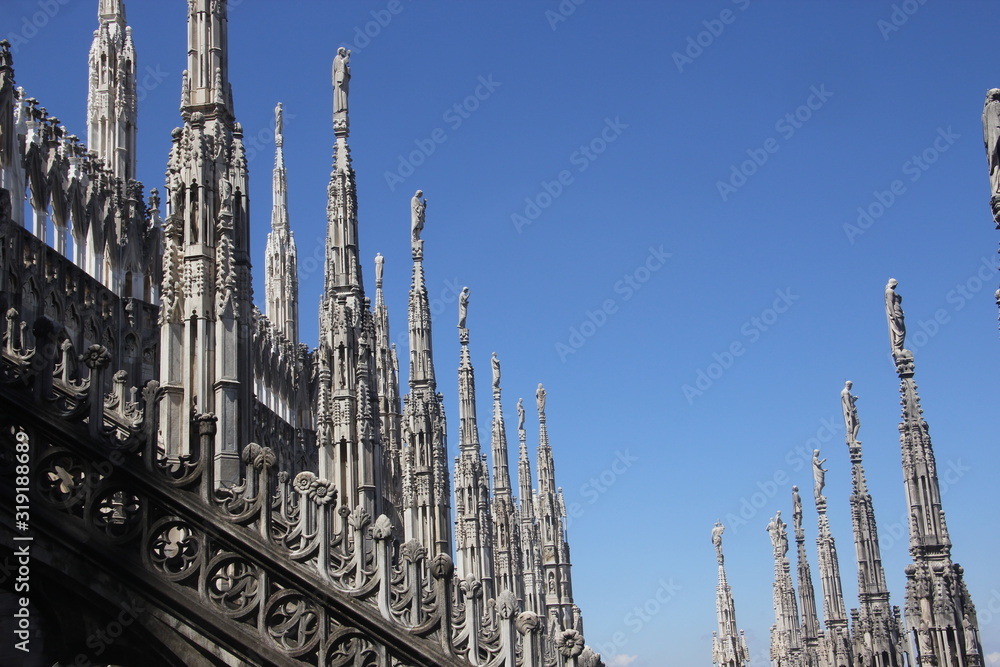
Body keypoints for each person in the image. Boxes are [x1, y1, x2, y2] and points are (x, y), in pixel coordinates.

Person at [885, 278, 906, 355]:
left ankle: (900, 347)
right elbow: (890, 303)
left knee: (902, 331)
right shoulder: (889, 291)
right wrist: (893, 315)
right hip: (896, 313)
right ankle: (897, 348)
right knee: (900, 331)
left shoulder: (891, 291)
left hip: (899, 312)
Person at [332, 47, 351, 117]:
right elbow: (340, 65)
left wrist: (347, 70)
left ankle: (343, 107)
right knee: (340, 93)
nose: (344, 52)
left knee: (344, 93)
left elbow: (343, 65)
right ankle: (340, 107)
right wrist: (347, 56)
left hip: (344, 79)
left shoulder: (341, 59)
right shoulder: (337, 58)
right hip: (339, 79)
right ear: (340, 52)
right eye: (344, 51)